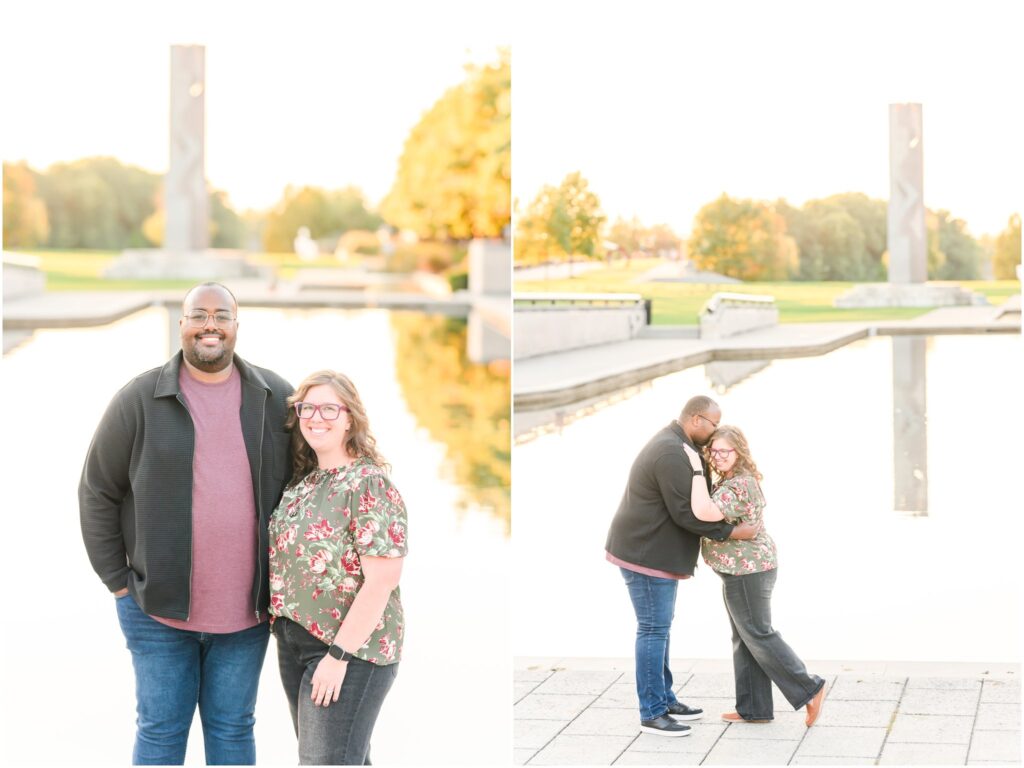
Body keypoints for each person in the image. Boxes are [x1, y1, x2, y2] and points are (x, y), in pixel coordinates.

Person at [79, 282, 294, 765]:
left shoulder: (275, 396)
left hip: (247, 617)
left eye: (222, 316)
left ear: (237, 326)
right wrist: (117, 582)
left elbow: (310, 481)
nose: (210, 325)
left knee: (234, 731)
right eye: (200, 315)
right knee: (159, 734)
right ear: (183, 325)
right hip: (156, 613)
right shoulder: (139, 398)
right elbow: (96, 490)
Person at [268, 370, 407, 765]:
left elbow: (382, 581)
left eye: (329, 408)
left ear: (350, 418)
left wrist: (338, 656)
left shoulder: (368, 484)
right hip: (294, 642)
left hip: (349, 650)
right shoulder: (303, 482)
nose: (316, 417)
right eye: (307, 408)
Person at [605, 396, 761, 738]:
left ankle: (664, 698)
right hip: (644, 555)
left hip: (652, 551)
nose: (716, 431)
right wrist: (733, 531)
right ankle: (652, 713)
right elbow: (685, 513)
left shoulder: (680, 446)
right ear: (695, 419)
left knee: (660, 628)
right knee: (653, 629)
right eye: (713, 424)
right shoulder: (672, 452)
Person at [683, 425, 826, 727]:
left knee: (758, 633)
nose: (718, 456)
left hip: (750, 570)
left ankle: (810, 688)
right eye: (714, 451)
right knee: (744, 636)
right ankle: (754, 707)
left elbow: (705, 511)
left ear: (740, 452)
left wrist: (696, 471)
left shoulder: (739, 486)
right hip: (739, 569)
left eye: (725, 451)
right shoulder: (732, 479)